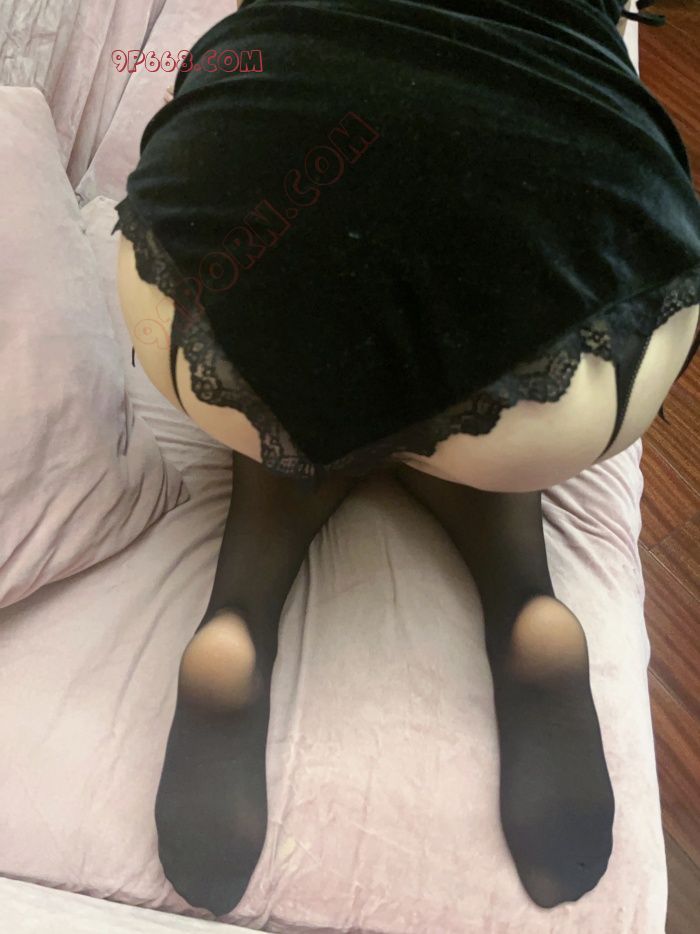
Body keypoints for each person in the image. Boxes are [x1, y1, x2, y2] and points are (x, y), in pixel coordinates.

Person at [114, 0, 700, 918]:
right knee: (497, 361)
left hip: (225, 245)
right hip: (560, 315)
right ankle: (526, 602)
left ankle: (237, 618)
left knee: (287, 345)